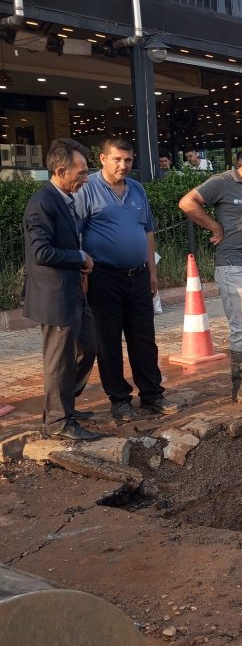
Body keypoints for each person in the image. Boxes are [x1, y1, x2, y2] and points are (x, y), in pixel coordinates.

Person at [75, 136, 179, 421]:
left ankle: (152, 394)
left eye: (128, 160)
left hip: (138, 276)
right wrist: (83, 276)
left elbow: (147, 232)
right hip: (103, 278)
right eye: (117, 159)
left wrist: (152, 272)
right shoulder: (87, 189)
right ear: (103, 159)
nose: (123, 165)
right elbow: (77, 235)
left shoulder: (136, 190)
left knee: (144, 337)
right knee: (108, 341)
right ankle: (119, 399)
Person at [178, 143, 242, 405]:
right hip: (234, 267)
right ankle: (240, 386)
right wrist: (214, 226)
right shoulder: (221, 182)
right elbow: (187, 202)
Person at [22, 138, 100, 441]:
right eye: (81, 173)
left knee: (89, 347)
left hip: (72, 293)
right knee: (59, 361)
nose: (85, 178)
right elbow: (41, 252)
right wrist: (79, 257)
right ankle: (58, 423)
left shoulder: (63, 199)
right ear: (61, 170)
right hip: (54, 297)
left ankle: (64, 404)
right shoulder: (42, 203)